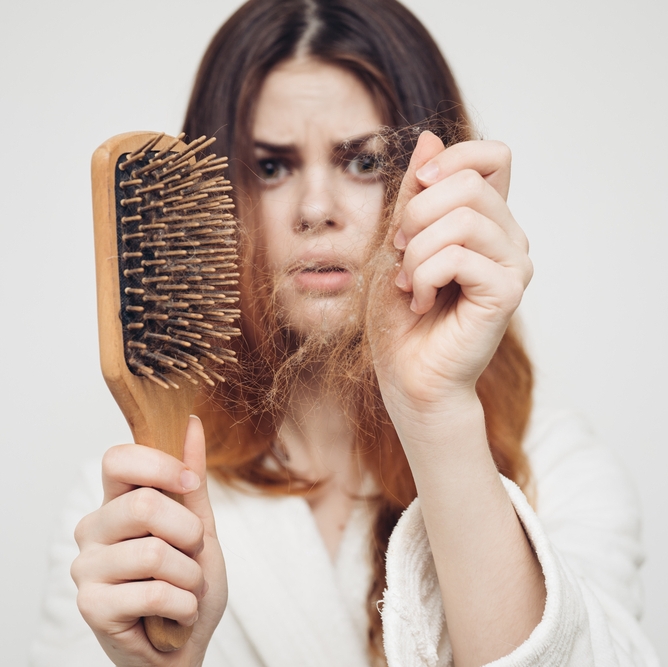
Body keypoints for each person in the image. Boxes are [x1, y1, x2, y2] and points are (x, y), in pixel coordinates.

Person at [31, 1, 659, 666]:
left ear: (436, 184)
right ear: (211, 201)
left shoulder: (556, 469)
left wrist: (436, 411)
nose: (316, 210)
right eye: (271, 167)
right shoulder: (129, 510)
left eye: (362, 162)